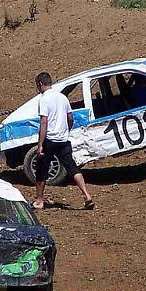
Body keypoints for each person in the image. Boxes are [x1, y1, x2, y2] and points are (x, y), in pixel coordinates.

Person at [33, 72, 93, 210]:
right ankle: (86, 194)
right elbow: (70, 118)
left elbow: (44, 122)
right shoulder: (62, 97)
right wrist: (67, 130)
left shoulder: (43, 99)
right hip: (63, 140)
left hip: (50, 140)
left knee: (41, 170)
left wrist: (40, 144)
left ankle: (39, 200)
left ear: (40, 84)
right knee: (72, 167)